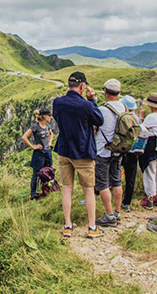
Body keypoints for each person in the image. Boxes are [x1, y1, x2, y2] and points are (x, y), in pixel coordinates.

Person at [53, 72, 105, 238]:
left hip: (64, 149)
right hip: (83, 151)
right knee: (88, 189)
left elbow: (57, 117)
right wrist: (92, 100)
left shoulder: (58, 102)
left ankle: (67, 225)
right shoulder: (86, 105)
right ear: (82, 86)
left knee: (67, 188)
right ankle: (91, 227)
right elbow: (99, 120)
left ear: (68, 84)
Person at [95, 79, 125, 227]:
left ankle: (109, 216)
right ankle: (117, 212)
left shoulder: (102, 110)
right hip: (118, 150)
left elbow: (94, 128)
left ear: (105, 92)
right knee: (116, 180)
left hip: (103, 150)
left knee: (102, 183)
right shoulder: (124, 108)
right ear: (118, 93)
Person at [22, 109, 54, 200]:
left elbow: (51, 134)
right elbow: (24, 137)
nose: (50, 117)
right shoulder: (35, 126)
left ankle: (48, 189)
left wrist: (50, 143)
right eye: (49, 115)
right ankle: (33, 194)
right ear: (44, 116)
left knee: (49, 171)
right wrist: (33, 146)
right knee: (36, 174)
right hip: (39, 154)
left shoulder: (47, 125)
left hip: (47, 152)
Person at [120, 95, 140, 212]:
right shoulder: (138, 118)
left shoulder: (124, 118)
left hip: (124, 150)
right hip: (135, 150)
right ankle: (127, 202)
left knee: (115, 173)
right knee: (130, 177)